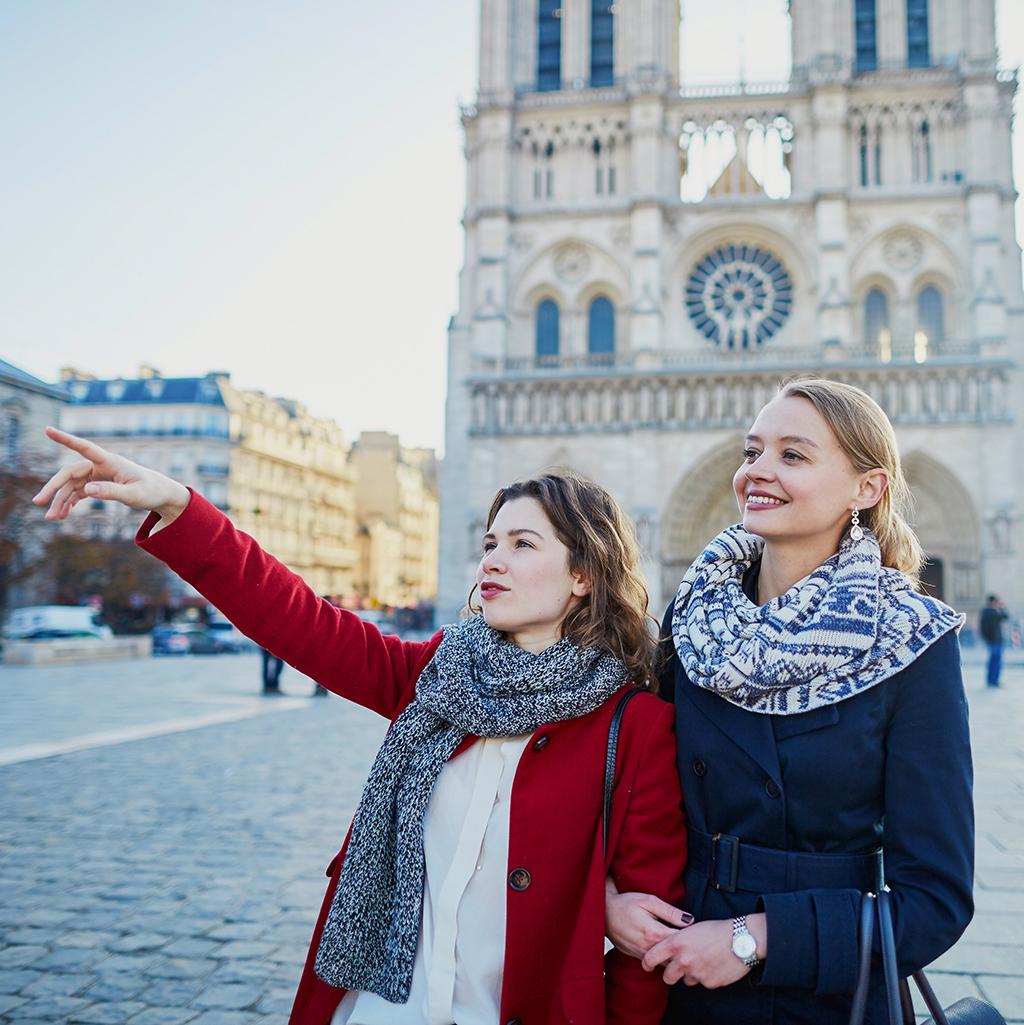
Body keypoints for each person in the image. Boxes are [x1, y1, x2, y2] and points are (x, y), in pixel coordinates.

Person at [33, 428, 687, 1025]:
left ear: (583, 574)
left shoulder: (635, 727)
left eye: (522, 544)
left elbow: (649, 947)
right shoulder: (435, 673)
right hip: (381, 1006)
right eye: (490, 543)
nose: (492, 560)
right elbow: (300, 618)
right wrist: (180, 507)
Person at [605, 379, 974, 1024]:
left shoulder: (909, 639)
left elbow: (933, 901)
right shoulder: (695, 620)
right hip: (676, 972)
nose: (756, 470)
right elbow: (623, 793)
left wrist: (755, 939)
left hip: (825, 990)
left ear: (867, 488)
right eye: (752, 451)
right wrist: (609, 901)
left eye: (793, 455)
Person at [979, 594, 1009, 688]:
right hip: (994, 640)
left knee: (994, 661)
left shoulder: (989, 611)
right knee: (995, 661)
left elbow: (1005, 617)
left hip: (995, 639)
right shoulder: (990, 612)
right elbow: (1005, 616)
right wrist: (1002, 607)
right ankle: (993, 680)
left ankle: (992, 680)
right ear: (992, 602)